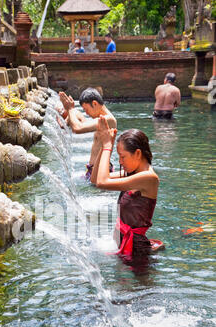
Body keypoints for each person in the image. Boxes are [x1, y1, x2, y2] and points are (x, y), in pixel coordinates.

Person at [92, 116, 162, 259]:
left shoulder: (149, 178)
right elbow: (95, 179)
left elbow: (102, 182)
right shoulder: (131, 174)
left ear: (137, 153)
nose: (120, 161)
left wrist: (107, 146)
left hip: (137, 255)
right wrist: (104, 145)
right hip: (123, 247)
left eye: (122, 157)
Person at [59, 88, 117, 179]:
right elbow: (81, 122)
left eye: (86, 109)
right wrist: (70, 112)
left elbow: (77, 128)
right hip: (93, 170)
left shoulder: (108, 120)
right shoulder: (101, 119)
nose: (86, 113)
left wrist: (70, 109)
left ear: (94, 103)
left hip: (100, 172)